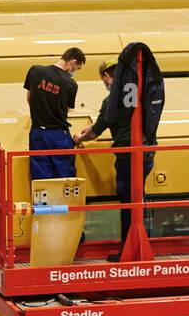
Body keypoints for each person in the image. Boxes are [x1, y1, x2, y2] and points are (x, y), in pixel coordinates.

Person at [74, 59, 155, 261]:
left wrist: (79, 138)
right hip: (147, 153)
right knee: (138, 198)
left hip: (127, 156)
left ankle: (128, 251)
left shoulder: (110, 101)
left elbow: (95, 132)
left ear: (106, 77)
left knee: (128, 201)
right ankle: (140, 243)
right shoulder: (142, 94)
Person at [23, 48, 85, 180]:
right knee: (65, 178)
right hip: (59, 135)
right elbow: (66, 109)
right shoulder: (70, 84)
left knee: (41, 179)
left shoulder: (35, 71)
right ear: (73, 62)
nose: (74, 71)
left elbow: (29, 98)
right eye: (77, 68)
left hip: (37, 133)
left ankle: (43, 201)